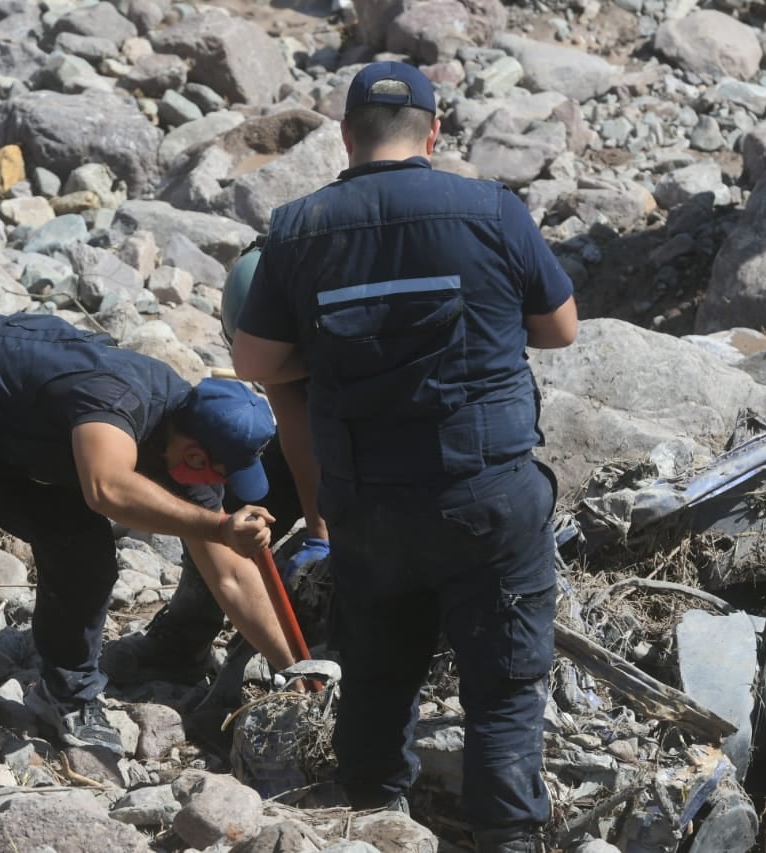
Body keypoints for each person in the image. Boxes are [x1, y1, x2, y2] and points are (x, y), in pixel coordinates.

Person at [230, 62, 578, 853]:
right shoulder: (492, 208)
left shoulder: (297, 228)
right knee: (506, 682)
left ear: (346, 137)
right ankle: (507, 839)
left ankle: (375, 821)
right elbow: (560, 330)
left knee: (381, 671)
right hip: (489, 494)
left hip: (369, 501)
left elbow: (254, 360)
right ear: (434, 131)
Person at [0, 304, 296, 775]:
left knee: (83, 548)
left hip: (1, 433)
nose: (217, 490)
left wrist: (294, 669)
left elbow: (231, 575)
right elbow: (107, 489)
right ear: (193, 452)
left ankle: (67, 694)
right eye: (220, 475)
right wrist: (220, 527)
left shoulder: (196, 447)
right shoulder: (114, 397)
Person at [101, 257, 328, 686]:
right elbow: (300, 438)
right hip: (325, 442)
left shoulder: (355, 346)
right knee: (224, 506)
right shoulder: (275, 332)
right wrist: (319, 533)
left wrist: (330, 534)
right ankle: (184, 640)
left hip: (394, 459)